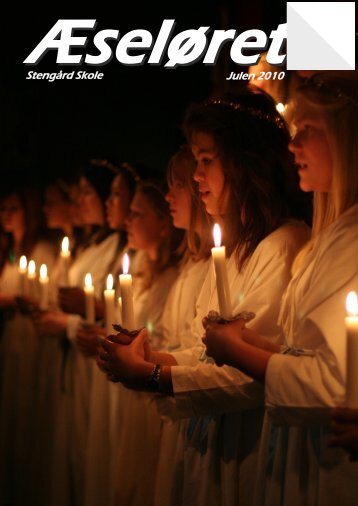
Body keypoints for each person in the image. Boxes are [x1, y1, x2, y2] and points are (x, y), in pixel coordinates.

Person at [99, 88, 311, 506]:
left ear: (247, 161)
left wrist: (155, 377)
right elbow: (205, 354)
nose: (197, 179)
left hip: (243, 450)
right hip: (204, 442)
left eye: (206, 161)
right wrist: (153, 358)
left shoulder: (283, 245)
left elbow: (249, 376)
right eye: (195, 163)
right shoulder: (232, 251)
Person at [202, 74, 358, 506]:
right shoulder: (330, 236)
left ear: (347, 137)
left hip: (334, 467)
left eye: (308, 130)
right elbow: (306, 352)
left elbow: (334, 383)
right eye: (294, 131)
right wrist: (252, 342)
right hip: (302, 457)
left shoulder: (351, 240)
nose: (293, 145)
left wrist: (239, 352)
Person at [107, 181, 183, 506]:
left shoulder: (173, 279)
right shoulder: (144, 273)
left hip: (155, 395)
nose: (128, 219)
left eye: (138, 213)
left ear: (164, 225)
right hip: (137, 393)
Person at [0, 186, 55, 506]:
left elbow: (45, 297)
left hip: (32, 341)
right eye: (2, 209)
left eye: (12, 208)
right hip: (13, 339)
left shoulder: (42, 252)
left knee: (28, 411)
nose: (5, 215)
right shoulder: (12, 252)